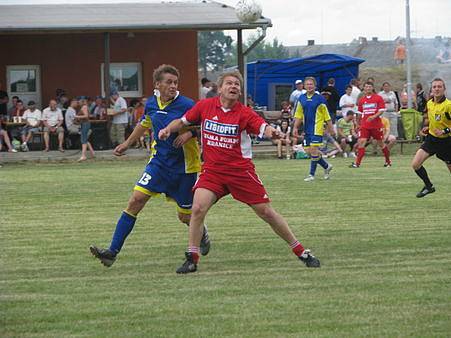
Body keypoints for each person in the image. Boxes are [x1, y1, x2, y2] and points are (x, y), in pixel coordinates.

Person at [159, 70, 320, 274]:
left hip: (240, 173)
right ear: (219, 87)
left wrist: (275, 133)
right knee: (197, 209)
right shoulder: (205, 106)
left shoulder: (244, 113)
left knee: (267, 213)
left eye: (237, 84)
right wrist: (168, 130)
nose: (234, 87)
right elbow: (182, 122)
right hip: (213, 172)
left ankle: (300, 251)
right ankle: (192, 258)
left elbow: (263, 128)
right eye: (229, 83)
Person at [89, 64, 210, 267]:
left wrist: (189, 134)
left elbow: (206, 125)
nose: (173, 86)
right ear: (158, 84)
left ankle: (202, 232)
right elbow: (144, 124)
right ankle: (112, 252)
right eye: (168, 82)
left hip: (184, 169)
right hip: (159, 165)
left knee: (185, 217)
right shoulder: (152, 103)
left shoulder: (187, 104)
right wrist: (127, 143)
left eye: (175, 83)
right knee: (135, 200)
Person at [411, 78, 451, 198]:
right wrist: (427, 127)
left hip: (446, 142)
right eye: (434, 87)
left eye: (439, 86)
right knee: (415, 164)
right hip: (432, 140)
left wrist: (444, 131)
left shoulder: (448, 105)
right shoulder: (429, 103)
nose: (437, 89)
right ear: (431, 90)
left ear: (444, 89)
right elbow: (432, 119)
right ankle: (429, 186)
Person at [293, 77, 335, 182]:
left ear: (315, 86)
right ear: (304, 86)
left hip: (317, 128)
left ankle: (311, 175)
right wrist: (295, 127)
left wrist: (331, 128)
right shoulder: (301, 98)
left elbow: (327, 116)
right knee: (308, 151)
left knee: (313, 149)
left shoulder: (320, 99)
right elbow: (298, 115)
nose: (309, 86)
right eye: (307, 84)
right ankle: (326, 166)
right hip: (307, 129)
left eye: (311, 84)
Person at [350, 82, 391, 168]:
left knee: (381, 143)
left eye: (369, 87)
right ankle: (357, 163)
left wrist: (373, 116)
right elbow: (360, 113)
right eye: (366, 87)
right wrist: (358, 123)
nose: (368, 88)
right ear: (364, 88)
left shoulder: (378, 98)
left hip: (376, 125)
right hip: (365, 125)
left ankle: (388, 161)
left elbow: (381, 110)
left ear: (372, 88)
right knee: (361, 142)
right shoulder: (362, 100)